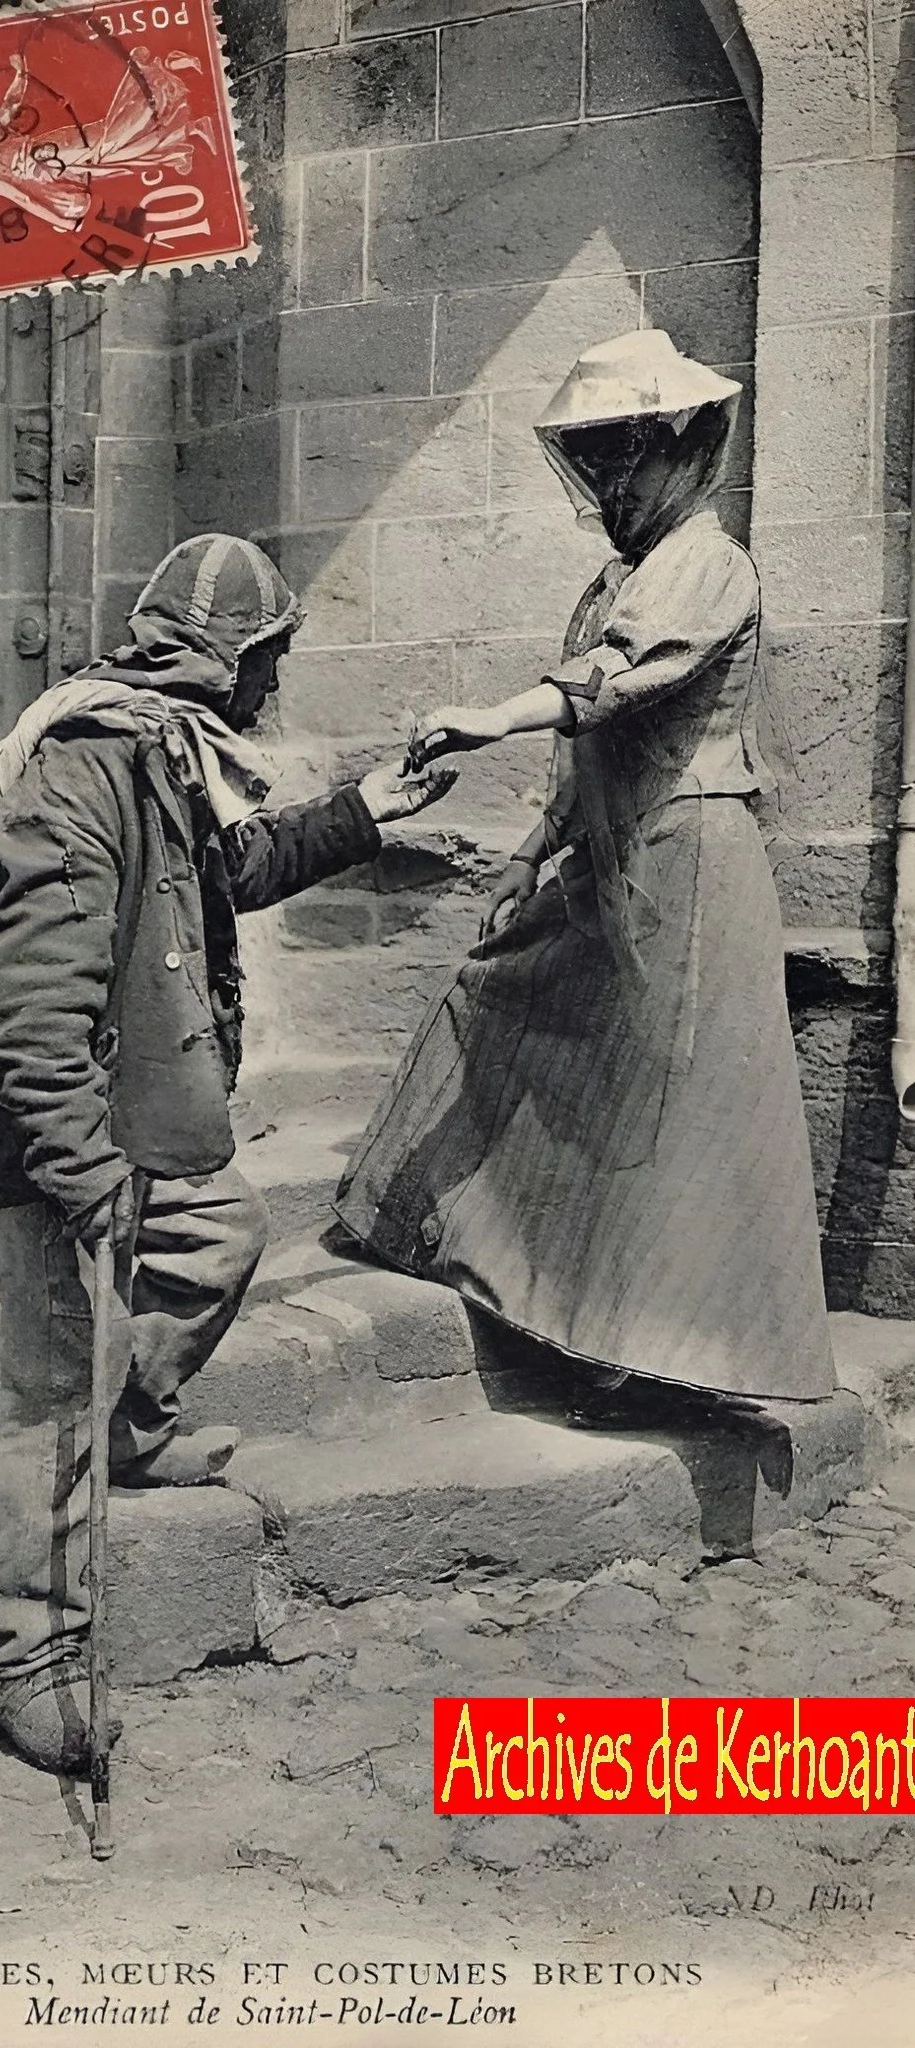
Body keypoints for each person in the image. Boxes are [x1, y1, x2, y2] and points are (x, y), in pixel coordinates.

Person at [0, 532, 454, 1774]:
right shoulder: (82, 767)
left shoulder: (168, 749)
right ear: (229, 654)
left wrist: (362, 814)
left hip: (142, 1112)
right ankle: (24, 1650)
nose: (275, 682)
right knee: (56, 1381)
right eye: (269, 655)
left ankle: (129, 1427)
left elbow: (229, 867)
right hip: (54, 1134)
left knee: (221, 1234)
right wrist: (80, 1171)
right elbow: (26, 1007)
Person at [335, 329, 835, 1424]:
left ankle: (665, 1358)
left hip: (690, 861)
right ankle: (507, 1271)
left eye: (623, 457)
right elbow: (587, 757)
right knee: (500, 996)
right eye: (594, 459)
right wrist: (523, 858)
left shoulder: (706, 562)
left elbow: (607, 686)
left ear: (676, 449)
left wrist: (484, 715)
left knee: (670, 1107)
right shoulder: (624, 573)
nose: (608, 483)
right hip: (614, 853)